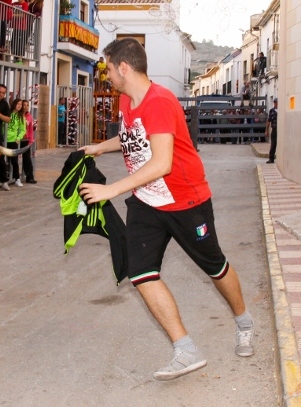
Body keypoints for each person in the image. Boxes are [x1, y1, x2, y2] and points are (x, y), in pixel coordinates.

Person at [78, 38, 254, 381]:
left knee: (214, 266)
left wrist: (111, 189)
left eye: (108, 68)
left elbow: (161, 163)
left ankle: (244, 321)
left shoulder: (160, 102)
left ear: (124, 68)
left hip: (187, 201)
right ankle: (185, 349)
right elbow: (132, 137)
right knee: (140, 271)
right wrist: (101, 147)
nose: (107, 75)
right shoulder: (128, 101)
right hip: (146, 201)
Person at [6, 98, 26, 187]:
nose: (19, 106)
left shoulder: (21, 116)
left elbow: (23, 130)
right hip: (4, 139)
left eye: (21, 104)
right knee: (2, 159)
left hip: (13, 140)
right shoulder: (8, 113)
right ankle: (3, 178)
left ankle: (17, 178)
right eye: (18, 104)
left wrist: (18, 138)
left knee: (14, 161)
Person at [20, 100, 36, 184]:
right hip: (16, 139)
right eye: (24, 105)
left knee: (27, 158)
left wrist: (30, 140)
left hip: (25, 140)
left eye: (27, 105)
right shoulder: (17, 115)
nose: (26, 107)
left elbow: (30, 130)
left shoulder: (29, 117)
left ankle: (29, 177)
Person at [266, 98, 278, 164]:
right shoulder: (272, 111)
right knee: (273, 144)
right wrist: (266, 130)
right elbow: (268, 121)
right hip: (274, 129)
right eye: (275, 102)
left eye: (276, 102)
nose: (275, 103)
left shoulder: (281, 110)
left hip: (280, 130)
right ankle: (271, 158)